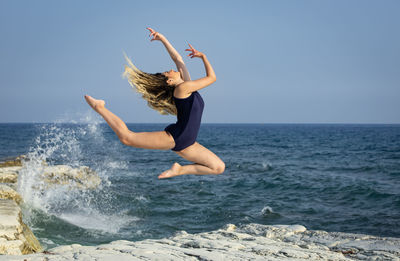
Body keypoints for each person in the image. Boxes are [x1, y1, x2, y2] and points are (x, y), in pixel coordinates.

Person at [84, 27, 225, 179]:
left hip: (189, 143)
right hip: (176, 137)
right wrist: (203, 57)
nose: (171, 69)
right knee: (127, 138)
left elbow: (177, 59)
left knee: (218, 167)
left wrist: (162, 38)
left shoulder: (186, 86)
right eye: (168, 72)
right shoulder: (183, 88)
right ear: (170, 81)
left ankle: (179, 170)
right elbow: (212, 78)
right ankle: (99, 107)